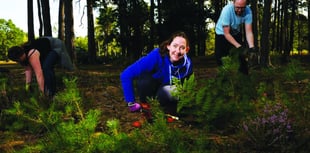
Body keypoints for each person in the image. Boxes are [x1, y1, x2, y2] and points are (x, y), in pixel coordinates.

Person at [120, 31, 193, 117]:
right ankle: (145, 106)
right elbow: (126, 74)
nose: (177, 51)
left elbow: (186, 90)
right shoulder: (156, 56)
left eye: (182, 47)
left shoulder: (187, 65)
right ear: (168, 46)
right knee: (145, 80)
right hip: (150, 90)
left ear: (187, 50)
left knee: (171, 91)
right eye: (175, 46)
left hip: (165, 93)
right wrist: (131, 103)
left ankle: (163, 110)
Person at [8, 36, 74, 97]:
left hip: (55, 45)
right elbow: (28, 70)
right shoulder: (22, 57)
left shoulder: (31, 53)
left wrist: (42, 92)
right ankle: (48, 92)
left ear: (21, 55)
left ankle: (51, 93)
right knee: (45, 66)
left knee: (46, 67)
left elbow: (39, 74)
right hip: (45, 47)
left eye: (18, 59)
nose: (18, 61)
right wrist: (27, 86)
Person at [215, 0, 256, 74]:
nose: (240, 10)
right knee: (222, 61)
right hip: (222, 34)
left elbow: (249, 32)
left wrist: (251, 48)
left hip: (236, 33)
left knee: (242, 60)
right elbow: (226, 34)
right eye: (237, 7)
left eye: (242, 8)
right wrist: (239, 47)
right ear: (233, 3)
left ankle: (244, 80)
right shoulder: (226, 10)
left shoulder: (248, 11)